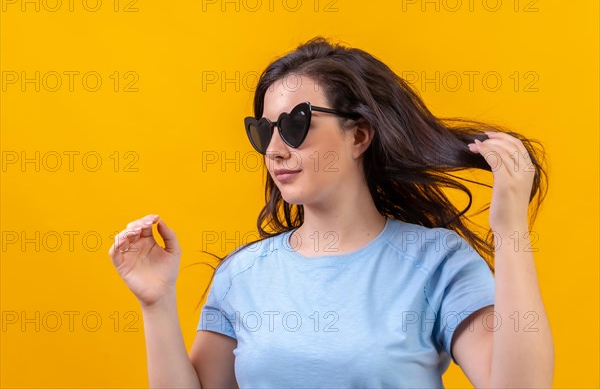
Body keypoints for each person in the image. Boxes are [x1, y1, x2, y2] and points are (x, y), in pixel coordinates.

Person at [108, 37, 554, 388]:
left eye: (295, 125)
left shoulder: (437, 262)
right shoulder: (242, 275)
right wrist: (157, 302)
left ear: (359, 136)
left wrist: (510, 228)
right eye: (264, 131)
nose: (276, 150)